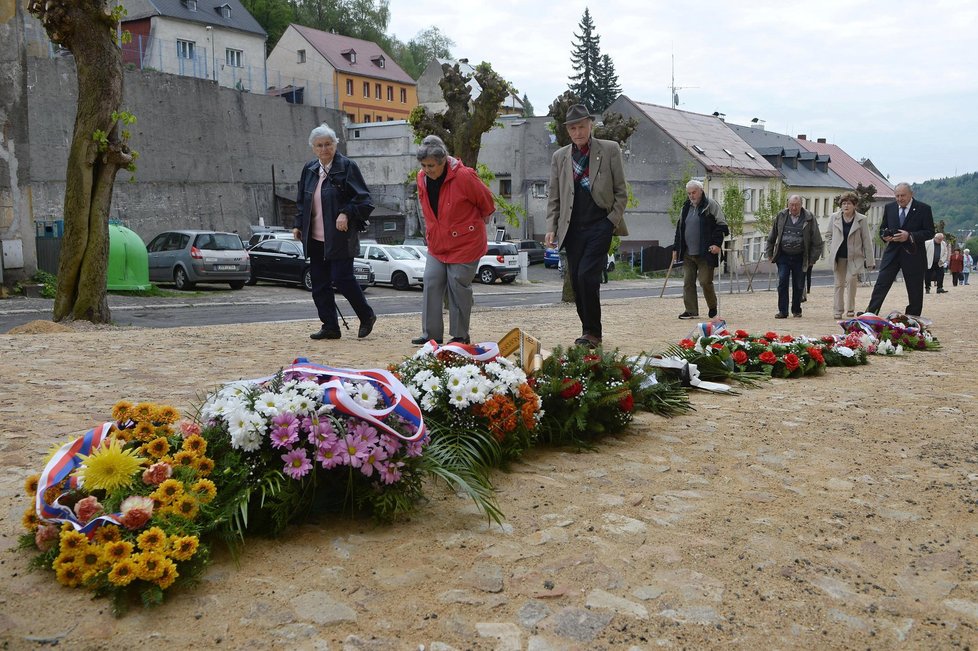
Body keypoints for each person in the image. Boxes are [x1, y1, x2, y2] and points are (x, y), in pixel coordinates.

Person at [545, 104, 628, 348]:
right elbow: (554, 196)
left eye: (582, 126)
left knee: (587, 276)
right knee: (577, 280)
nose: (578, 131)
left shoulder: (609, 149)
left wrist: (610, 221)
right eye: (573, 128)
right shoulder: (560, 157)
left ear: (590, 125)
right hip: (571, 228)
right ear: (568, 131)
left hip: (599, 225)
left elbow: (621, 192)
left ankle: (593, 332)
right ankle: (587, 330)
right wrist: (551, 226)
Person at [293, 123, 376, 340]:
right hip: (315, 237)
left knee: (342, 278)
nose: (324, 149)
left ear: (335, 144)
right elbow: (302, 200)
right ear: (313, 148)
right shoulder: (310, 169)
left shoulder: (347, 167)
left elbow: (364, 199)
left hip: (340, 236)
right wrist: (298, 224)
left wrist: (346, 213)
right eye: (319, 145)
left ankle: (366, 315)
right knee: (319, 284)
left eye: (328, 144)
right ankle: (330, 326)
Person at [410, 135, 495, 346]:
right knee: (431, 281)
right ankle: (431, 335)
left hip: (465, 243)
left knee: (457, 286)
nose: (427, 170)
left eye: (431, 165)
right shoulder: (421, 178)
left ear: (443, 161)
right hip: (438, 244)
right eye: (424, 165)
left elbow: (487, 203)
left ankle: (460, 335)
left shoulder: (464, 176)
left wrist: (474, 223)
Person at [865, 182, 935, 317]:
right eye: (897, 196)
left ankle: (913, 317)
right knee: (881, 283)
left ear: (911, 195)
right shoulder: (890, 207)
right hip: (892, 253)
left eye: (903, 195)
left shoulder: (923, 209)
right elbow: (882, 228)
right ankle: (871, 313)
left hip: (913, 254)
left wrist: (909, 236)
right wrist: (885, 236)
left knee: (914, 288)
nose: (899, 199)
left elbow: (929, 232)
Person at [672, 179, 728, 319]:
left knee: (704, 282)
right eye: (689, 193)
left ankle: (712, 306)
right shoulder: (685, 208)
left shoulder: (711, 205)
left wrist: (717, 244)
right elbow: (679, 229)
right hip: (688, 252)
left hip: (706, 252)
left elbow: (721, 225)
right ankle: (691, 310)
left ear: (701, 191)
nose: (691, 196)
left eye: (694, 192)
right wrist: (675, 249)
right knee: (688, 282)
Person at [765, 195, 823, 318]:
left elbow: (817, 241)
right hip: (783, 256)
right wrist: (769, 253)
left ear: (801, 205)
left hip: (800, 256)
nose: (794, 207)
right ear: (788, 204)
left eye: (796, 205)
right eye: (791, 204)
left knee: (798, 284)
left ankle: (796, 309)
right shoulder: (781, 216)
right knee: (782, 282)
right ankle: (783, 311)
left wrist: (812, 259)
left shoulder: (809, 218)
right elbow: (772, 235)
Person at [826, 192, 874, 319]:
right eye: (843, 203)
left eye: (849, 203)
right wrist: (831, 248)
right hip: (839, 256)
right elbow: (828, 235)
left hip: (854, 256)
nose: (846, 206)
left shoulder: (861, 219)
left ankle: (851, 309)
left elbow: (866, 240)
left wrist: (870, 261)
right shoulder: (834, 217)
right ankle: (838, 310)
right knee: (838, 283)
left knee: (852, 280)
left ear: (854, 205)